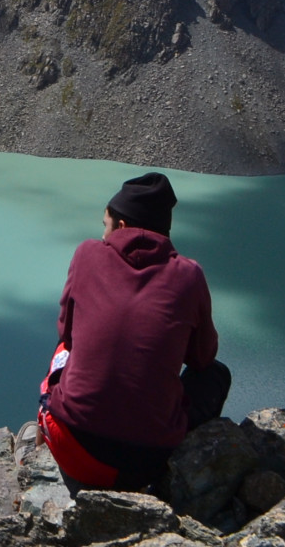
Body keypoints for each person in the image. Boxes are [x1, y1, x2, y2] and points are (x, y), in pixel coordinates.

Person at [38, 171, 231, 490]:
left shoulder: (87, 254)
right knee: (215, 375)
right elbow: (203, 358)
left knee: (63, 354)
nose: (103, 236)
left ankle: (41, 434)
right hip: (148, 463)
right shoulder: (189, 275)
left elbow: (67, 334)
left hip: (72, 448)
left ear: (122, 226)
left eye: (106, 225)